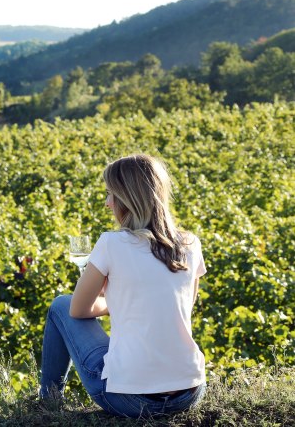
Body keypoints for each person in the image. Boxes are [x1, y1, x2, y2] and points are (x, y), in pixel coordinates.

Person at [39, 154, 207, 417]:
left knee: (61, 304)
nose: (107, 203)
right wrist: (123, 299)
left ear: (128, 199)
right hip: (189, 392)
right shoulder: (190, 244)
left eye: (111, 194)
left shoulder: (111, 243)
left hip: (131, 400)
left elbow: (78, 310)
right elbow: (183, 304)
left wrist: (113, 303)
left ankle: (48, 398)